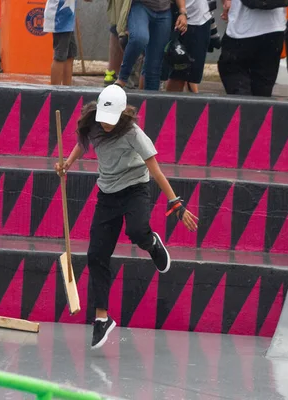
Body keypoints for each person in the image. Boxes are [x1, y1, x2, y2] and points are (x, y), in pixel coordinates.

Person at [55, 85, 198, 349]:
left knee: (136, 230)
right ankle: (102, 319)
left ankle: (151, 243)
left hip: (135, 188)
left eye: (112, 121)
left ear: (122, 115)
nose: (106, 126)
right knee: (96, 254)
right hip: (107, 194)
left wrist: (176, 204)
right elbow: (81, 144)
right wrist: (67, 164)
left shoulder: (133, 132)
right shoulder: (92, 123)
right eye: (103, 120)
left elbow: (154, 169)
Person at [217, 0, 287, 97]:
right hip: (274, 29)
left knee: (236, 85)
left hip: (242, 30)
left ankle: (246, 109)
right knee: (262, 93)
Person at [114, 0, 188, 91]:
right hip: (140, 6)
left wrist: (182, 12)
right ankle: (122, 78)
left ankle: (150, 101)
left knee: (154, 66)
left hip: (164, 12)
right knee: (139, 38)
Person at [165, 0, 212, 93]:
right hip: (179, 18)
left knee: (193, 75)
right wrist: (182, 12)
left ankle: (193, 106)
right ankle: (169, 105)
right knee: (177, 75)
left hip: (203, 19)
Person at [43, 0, 86, 85]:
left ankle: (67, 89)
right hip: (59, 16)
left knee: (70, 54)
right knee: (60, 55)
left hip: (67, 17)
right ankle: (55, 91)